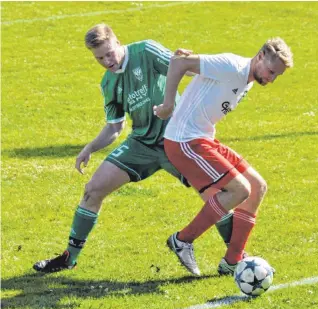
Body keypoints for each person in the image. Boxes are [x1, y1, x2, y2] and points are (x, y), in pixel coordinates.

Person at [33, 24, 234, 273]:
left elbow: (184, 70)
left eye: (109, 53)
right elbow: (115, 128)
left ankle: (235, 257)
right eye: (99, 58)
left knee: (216, 195)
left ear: (118, 42)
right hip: (141, 145)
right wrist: (90, 148)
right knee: (92, 190)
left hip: (177, 140)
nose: (107, 61)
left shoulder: (146, 51)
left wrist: (186, 59)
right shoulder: (109, 83)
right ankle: (68, 258)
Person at [153, 37, 293, 276]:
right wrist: (168, 104)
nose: (271, 79)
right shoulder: (232, 66)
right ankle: (182, 240)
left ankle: (232, 260)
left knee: (257, 186)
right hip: (184, 140)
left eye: (276, 76)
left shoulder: (247, 79)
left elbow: (195, 72)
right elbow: (178, 63)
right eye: (271, 71)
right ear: (259, 56)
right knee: (240, 190)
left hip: (205, 138)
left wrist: (189, 65)